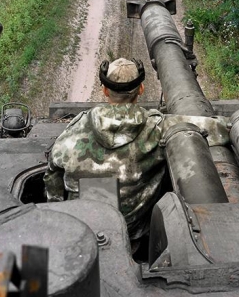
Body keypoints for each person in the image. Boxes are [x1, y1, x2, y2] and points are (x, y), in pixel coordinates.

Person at [44, 58, 165, 242]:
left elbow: (53, 174)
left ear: (105, 90)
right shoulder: (157, 130)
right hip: (131, 239)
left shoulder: (74, 130)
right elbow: (209, 128)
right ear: (141, 89)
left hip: (79, 237)